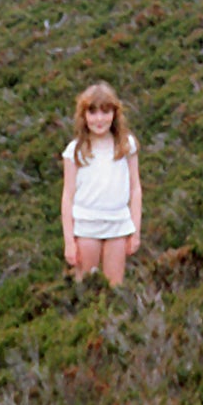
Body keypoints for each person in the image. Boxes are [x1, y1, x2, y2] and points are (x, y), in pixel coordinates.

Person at [60, 81, 142, 286]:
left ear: (114, 114)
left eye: (105, 112)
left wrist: (135, 231)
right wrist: (69, 242)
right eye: (93, 112)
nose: (99, 119)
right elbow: (67, 196)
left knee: (114, 288)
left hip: (118, 226)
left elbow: (135, 188)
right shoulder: (74, 150)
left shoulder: (126, 145)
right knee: (86, 288)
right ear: (84, 115)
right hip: (86, 227)